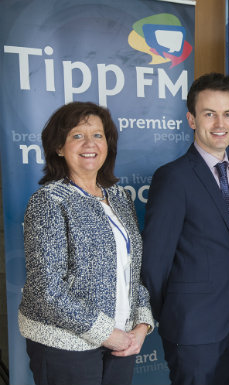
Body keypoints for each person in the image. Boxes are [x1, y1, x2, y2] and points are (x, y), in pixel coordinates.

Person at [19, 102, 154, 385]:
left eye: (98, 135)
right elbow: (47, 291)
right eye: (77, 135)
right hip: (65, 346)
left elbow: (132, 271)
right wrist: (107, 333)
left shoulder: (118, 198)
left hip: (122, 341)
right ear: (59, 147)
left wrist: (141, 325)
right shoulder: (49, 201)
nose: (90, 143)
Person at [142, 73, 229, 385]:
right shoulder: (173, 177)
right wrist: (175, 315)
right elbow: (154, 262)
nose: (220, 123)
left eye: (227, 114)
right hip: (191, 328)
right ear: (191, 119)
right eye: (209, 114)